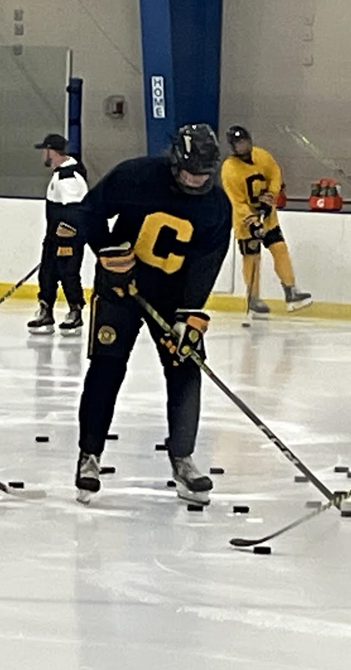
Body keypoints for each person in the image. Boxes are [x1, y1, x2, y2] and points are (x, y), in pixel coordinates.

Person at [71, 124, 231, 506]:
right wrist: (107, 252)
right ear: (175, 162)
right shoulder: (135, 175)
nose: (196, 180)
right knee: (107, 367)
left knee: (186, 367)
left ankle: (183, 459)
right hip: (120, 288)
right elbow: (89, 213)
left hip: (173, 298)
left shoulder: (216, 207)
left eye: (204, 174)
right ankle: (89, 455)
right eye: (190, 171)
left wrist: (190, 313)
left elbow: (208, 263)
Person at [220, 126, 311, 318]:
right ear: (232, 147)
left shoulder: (262, 156)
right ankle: (253, 297)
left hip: (268, 217)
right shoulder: (229, 169)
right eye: (238, 144)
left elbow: (275, 174)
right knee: (252, 259)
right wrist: (252, 220)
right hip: (246, 223)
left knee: (279, 248)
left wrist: (271, 195)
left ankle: (290, 290)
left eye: (244, 141)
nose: (242, 146)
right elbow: (236, 201)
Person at [28, 133, 89, 335]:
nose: (42, 156)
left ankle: (75, 312)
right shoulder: (61, 173)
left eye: (43, 151)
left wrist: (66, 238)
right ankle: (46, 310)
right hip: (54, 237)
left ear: (50, 151)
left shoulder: (68, 177)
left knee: (68, 273)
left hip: (67, 239)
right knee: (47, 273)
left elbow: (75, 211)